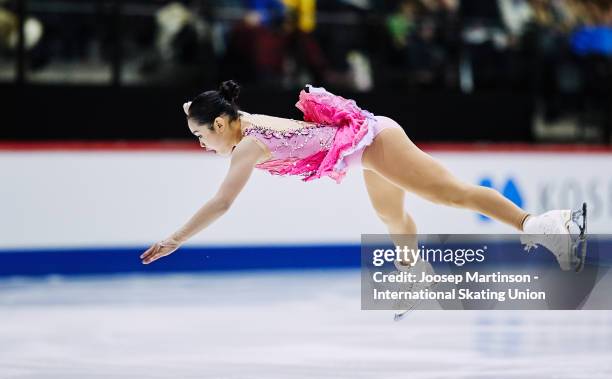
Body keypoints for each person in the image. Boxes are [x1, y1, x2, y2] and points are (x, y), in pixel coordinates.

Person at [139, 80, 587, 273]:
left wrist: (176, 238)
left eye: (200, 136)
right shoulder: (237, 122)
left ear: (221, 125)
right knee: (390, 215)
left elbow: (222, 203)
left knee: (451, 196)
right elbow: (201, 108)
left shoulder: (249, 145)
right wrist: (193, 109)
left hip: (374, 142)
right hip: (364, 151)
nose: (200, 145)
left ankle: (544, 226)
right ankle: (414, 273)